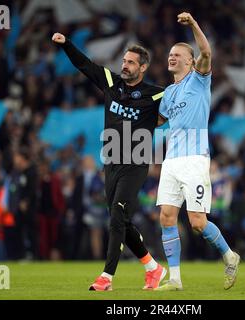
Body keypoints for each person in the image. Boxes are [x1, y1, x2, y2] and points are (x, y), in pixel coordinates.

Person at [52, 32, 166, 291]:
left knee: (116, 215)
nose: (125, 65)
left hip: (135, 164)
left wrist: (164, 119)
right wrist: (66, 44)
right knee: (121, 221)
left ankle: (106, 277)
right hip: (111, 163)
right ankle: (153, 268)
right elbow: (84, 65)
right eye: (124, 61)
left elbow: (180, 104)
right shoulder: (110, 83)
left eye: (131, 62)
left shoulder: (157, 95)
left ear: (143, 67)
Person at [155, 12, 240, 291]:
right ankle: (175, 280)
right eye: (170, 54)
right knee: (167, 216)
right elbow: (157, 120)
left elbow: (206, 50)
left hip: (195, 159)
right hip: (171, 161)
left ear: (190, 62)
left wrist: (192, 24)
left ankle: (230, 255)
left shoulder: (199, 79)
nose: (172, 57)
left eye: (177, 55)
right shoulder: (168, 93)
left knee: (197, 223)